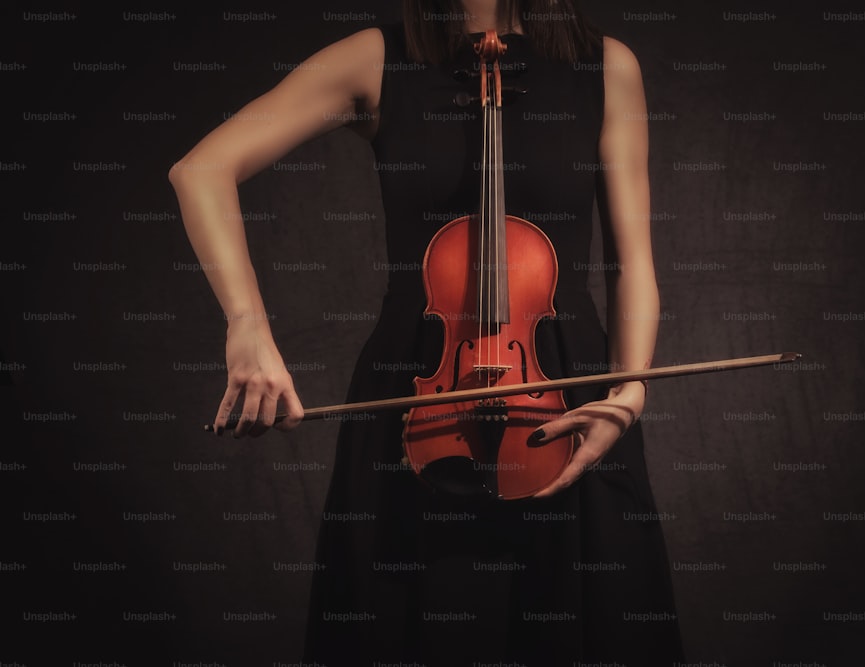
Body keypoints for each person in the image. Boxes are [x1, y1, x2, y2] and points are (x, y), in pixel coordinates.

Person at [169, 0, 684, 664]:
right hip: (418, 409)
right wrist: (248, 326)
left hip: (572, 400)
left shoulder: (607, 67)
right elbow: (201, 170)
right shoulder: (375, 58)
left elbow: (632, 262)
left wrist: (628, 396)